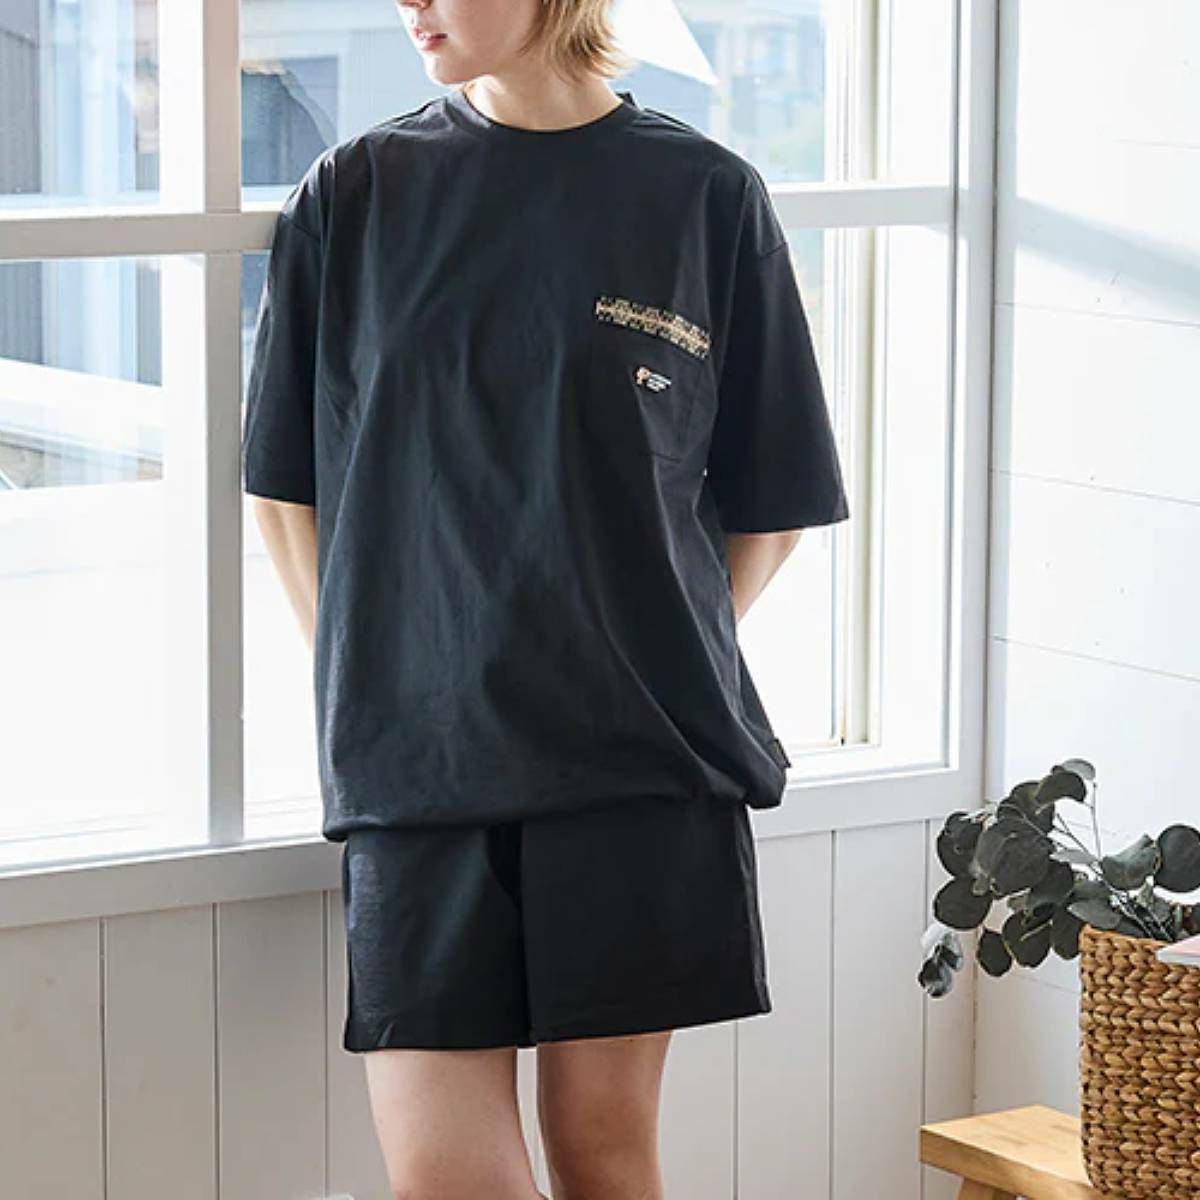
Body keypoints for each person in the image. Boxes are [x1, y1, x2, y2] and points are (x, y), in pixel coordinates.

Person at [241, 0, 850, 1196]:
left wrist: (638, 648)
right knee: (444, 1175)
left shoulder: (706, 197)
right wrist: (373, 680)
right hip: (417, 770)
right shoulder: (354, 195)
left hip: (638, 766)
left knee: (603, 1152)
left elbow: (774, 503)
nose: (411, 2)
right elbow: (281, 490)